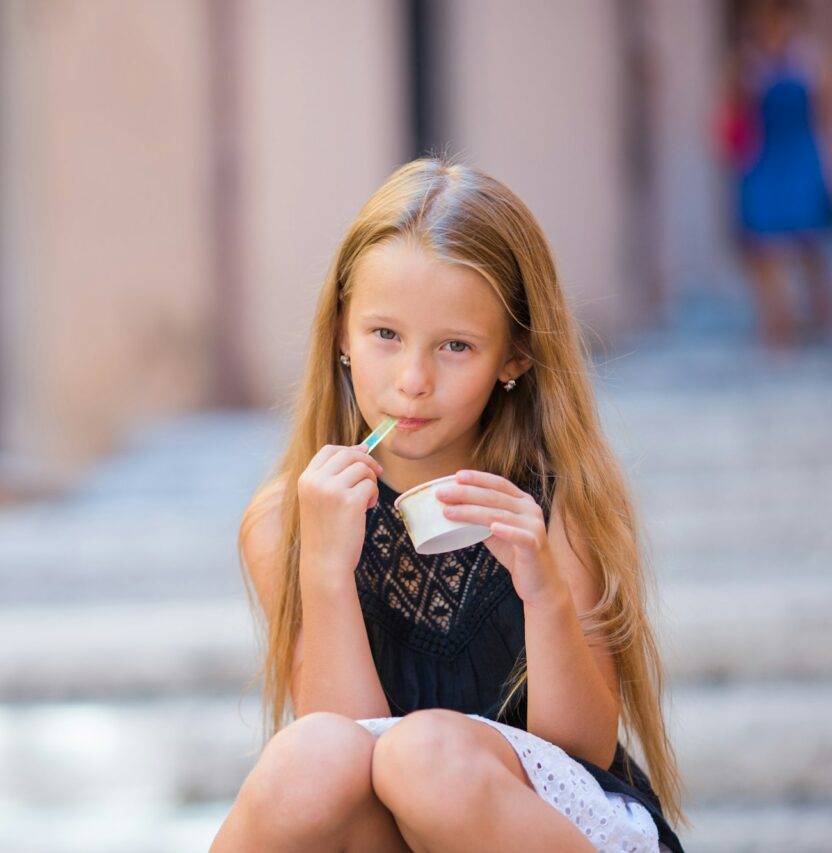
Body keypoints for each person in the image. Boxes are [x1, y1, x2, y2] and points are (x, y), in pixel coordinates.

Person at [211, 158, 685, 852]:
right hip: (386, 823)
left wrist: (543, 586)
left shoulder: (555, 505)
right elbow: (344, 755)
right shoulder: (288, 516)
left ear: (515, 355)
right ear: (341, 331)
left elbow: (582, 748)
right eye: (385, 335)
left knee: (424, 755)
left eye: (455, 346)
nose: (412, 381)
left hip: (549, 819)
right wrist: (325, 568)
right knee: (309, 759)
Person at [721, 0, 832, 349]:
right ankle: (776, 323)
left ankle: (819, 317)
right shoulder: (747, 61)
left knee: (809, 243)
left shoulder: (809, 58)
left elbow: (824, 112)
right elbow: (733, 111)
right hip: (764, 159)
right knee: (763, 246)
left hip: (800, 157)